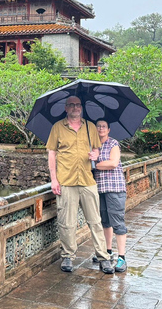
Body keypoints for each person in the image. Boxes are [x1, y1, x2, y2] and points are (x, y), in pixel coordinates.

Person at [47, 95, 115, 274]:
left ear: (81, 108)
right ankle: (68, 256)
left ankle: (103, 257)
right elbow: (52, 153)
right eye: (71, 105)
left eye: (78, 105)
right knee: (66, 222)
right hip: (66, 181)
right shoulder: (57, 128)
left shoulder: (90, 127)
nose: (75, 108)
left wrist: (95, 154)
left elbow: (96, 148)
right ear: (66, 108)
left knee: (95, 221)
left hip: (87, 180)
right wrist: (53, 179)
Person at [92, 119, 128, 273]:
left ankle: (122, 257)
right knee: (105, 222)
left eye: (104, 126)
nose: (101, 129)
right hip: (100, 189)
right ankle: (108, 251)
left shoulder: (113, 144)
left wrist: (95, 164)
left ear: (109, 129)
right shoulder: (93, 145)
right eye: (98, 126)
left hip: (114, 188)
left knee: (117, 222)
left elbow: (113, 163)